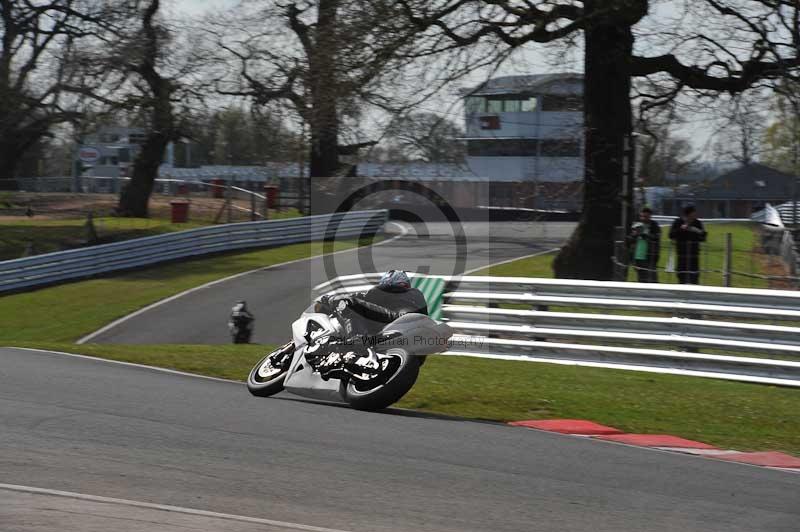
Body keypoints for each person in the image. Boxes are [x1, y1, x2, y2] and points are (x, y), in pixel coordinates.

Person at [317, 270, 428, 377]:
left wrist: (329, 300)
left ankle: (356, 342)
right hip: (415, 348)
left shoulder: (383, 290)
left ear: (389, 280)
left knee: (350, 304)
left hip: (397, 320)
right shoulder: (417, 294)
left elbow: (359, 297)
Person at [669, 205, 707, 284]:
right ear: (688, 214)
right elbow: (671, 235)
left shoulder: (697, 223)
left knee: (694, 277)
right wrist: (681, 229)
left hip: (694, 255)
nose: (695, 215)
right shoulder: (678, 222)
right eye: (693, 213)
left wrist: (697, 231)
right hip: (681, 255)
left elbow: (703, 237)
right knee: (682, 276)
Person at [628, 206, 661, 283]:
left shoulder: (654, 225)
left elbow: (657, 237)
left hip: (650, 255)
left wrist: (647, 235)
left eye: (646, 216)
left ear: (650, 216)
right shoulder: (636, 225)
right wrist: (634, 235)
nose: (643, 218)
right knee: (641, 280)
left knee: (653, 279)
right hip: (639, 256)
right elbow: (630, 240)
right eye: (642, 216)